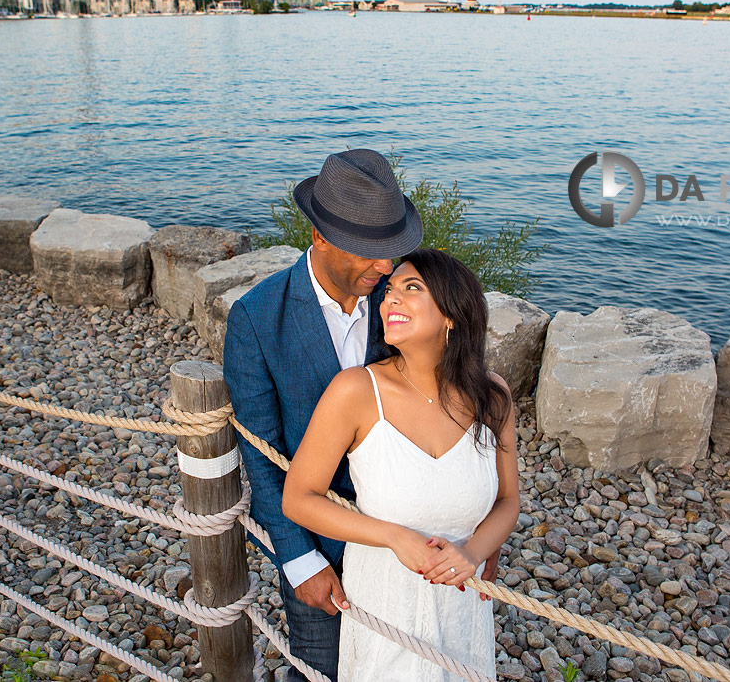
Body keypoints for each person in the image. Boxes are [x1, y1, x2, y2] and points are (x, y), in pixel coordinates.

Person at [223, 148, 424, 681]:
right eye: (371, 252)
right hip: (318, 543)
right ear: (319, 237)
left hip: (412, 532)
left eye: (392, 250)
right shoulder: (255, 320)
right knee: (322, 671)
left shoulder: (403, 299)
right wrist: (300, 560)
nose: (386, 267)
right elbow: (261, 455)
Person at [282, 248, 520, 681]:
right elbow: (299, 499)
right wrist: (394, 537)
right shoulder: (355, 391)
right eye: (390, 290)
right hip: (383, 607)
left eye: (412, 289)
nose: (391, 299)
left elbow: (508, 501)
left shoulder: (494, 398)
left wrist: (474, 551)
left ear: (452, 314)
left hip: (461, 608)